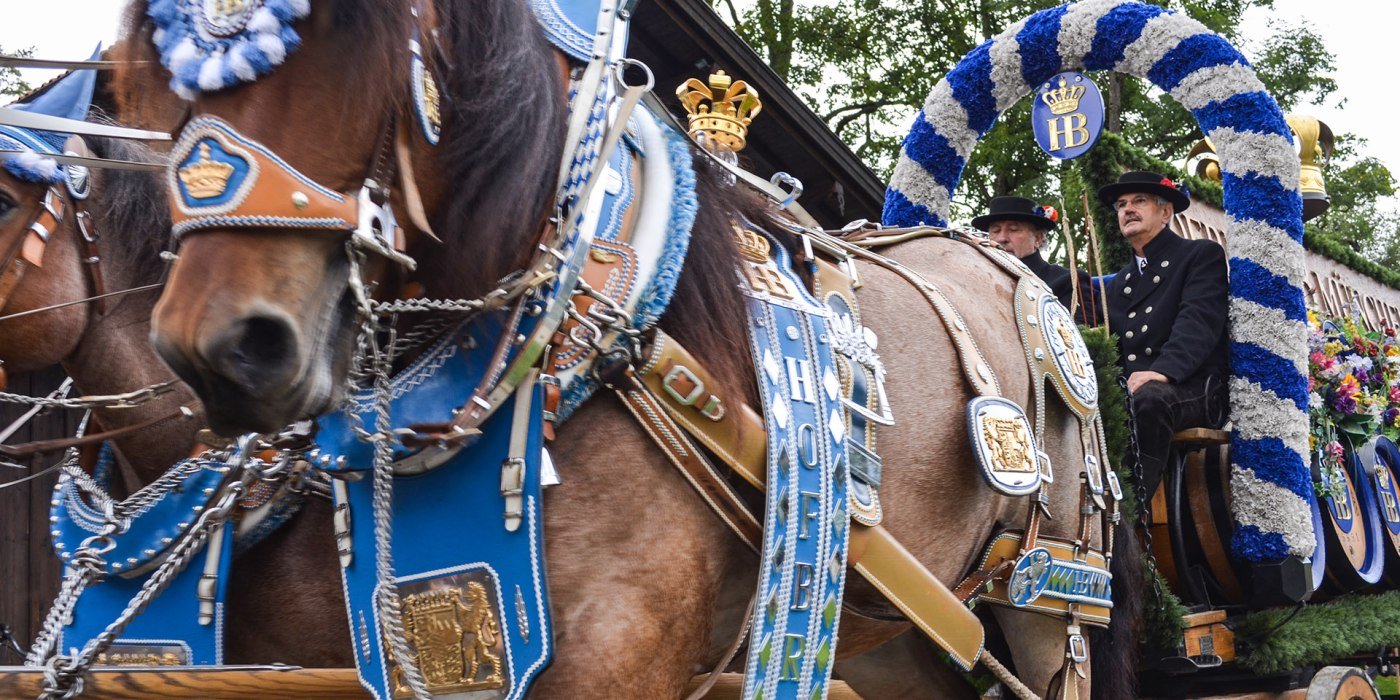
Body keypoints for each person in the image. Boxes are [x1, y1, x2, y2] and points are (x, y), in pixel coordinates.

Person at [1101, 171, 1229, 498]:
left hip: (1193, 387)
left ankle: (1128, 513)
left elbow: (1198, 322)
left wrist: (1162, 371)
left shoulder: (1199, 255)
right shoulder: (1119, 284)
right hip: (1133, 391)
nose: (1127, 209)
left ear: (1166, 212)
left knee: (1150, 399)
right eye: (1121, 204)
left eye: (1139, 201)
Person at [974, 195, 1097, 324]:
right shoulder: (978, 282)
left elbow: (1081, 338)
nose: (1001, 238)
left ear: (1038, 238)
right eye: (995, 230)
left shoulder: (1068, 281)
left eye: (1013, 229)